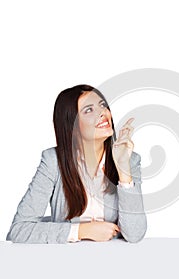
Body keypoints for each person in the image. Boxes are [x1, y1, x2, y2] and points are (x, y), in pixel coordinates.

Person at [6, 84, 147, 244]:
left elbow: (135, 234)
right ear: (72, 125)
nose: (103, 113)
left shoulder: (129, 158)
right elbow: (20, 229)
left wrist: (123, 170)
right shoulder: (53, 161)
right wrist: (82, 231)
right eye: (89, 110)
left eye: (103, 105)